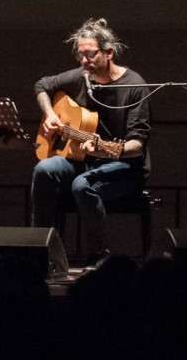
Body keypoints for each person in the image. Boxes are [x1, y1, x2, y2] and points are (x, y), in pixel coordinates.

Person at [31, 18, 151, 262]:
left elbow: (137, 146)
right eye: (80, 55)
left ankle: (99, 255)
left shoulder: (135, 86)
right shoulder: (82, 76)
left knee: (82, 185)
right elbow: (42, 85)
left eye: (91, 54)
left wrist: (104, 150)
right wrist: (51, 114)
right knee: (43, 169)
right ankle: (42, 251)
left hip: (124, 168)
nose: (84, 61)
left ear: (109, 52)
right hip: (81, 159)